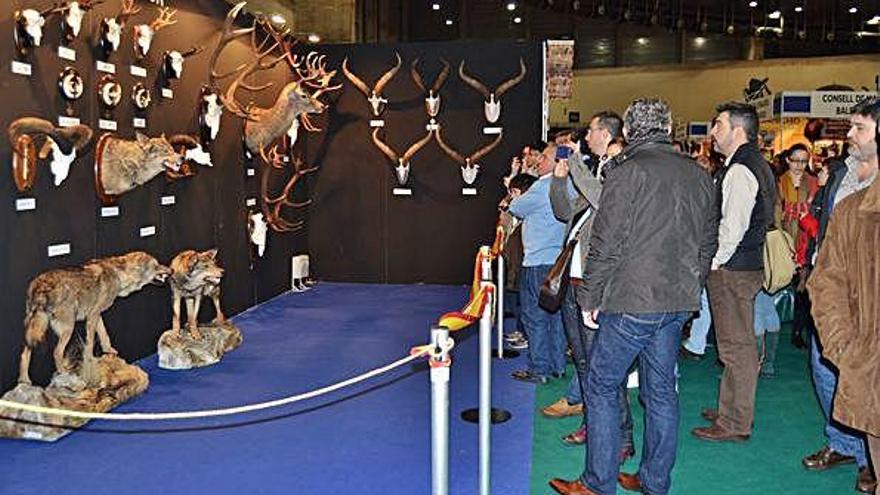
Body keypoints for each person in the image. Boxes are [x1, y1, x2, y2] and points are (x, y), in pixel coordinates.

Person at [549, 98, 717, 495]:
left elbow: (607, 241)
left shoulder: (627, 171)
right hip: (677, 301)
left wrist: (589, 296)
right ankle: (654, 480)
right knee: (661, 393)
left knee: (602, 385)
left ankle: (596, 483)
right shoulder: (698, 174)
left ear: (630, 130)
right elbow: (707, 240)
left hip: (632, 301)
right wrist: (692, 286)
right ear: (669, 124)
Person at [543, 113, 635, 464]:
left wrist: (577, 164)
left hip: (599, 286)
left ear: (608, 135)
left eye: (592, 130)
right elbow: (564, 210)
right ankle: (592, 425)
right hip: (574, 280)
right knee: (582, 362)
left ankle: (622, 437)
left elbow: (604, 201)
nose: (587, 135)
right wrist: (559, 177)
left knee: (603, 368)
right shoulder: (593, 172)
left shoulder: (619, 176)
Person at [804, 98, 880, 494]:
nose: (848, 134)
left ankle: (868, 458)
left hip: (867, 313)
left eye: (859, 128)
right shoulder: (841, 175)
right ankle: (846, 444)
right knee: (826, 369)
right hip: (839, 305)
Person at [692, 101, 776, 443]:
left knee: (737, 349)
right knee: (735, 346)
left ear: (738, 131)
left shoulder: (741, 169)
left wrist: (715, 262)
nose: (713, 131)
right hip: (741, 266)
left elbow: (733, 226)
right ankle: (730, 410)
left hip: (733, 269)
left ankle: (735, 422)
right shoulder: (750, 163)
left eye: (719, 125)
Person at [508, 144, 568, 384]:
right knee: (556, 317)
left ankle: (539, 369)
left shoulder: (542, 187)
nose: (538, 161)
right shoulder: (567, 186)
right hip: (559, 263)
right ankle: (558, 365)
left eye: (544, 157)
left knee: (535, 318)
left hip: (537, 262)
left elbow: (515, 207)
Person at [775, 143, 820, 349]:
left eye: (804, 161)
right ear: (788, 160)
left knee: (803, 290)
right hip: (783, 239)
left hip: (806, 241)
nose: (800, 165)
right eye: (796, 160)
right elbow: (776, 212)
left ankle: (797, 330)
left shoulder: (814, 183)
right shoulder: (779, 183)